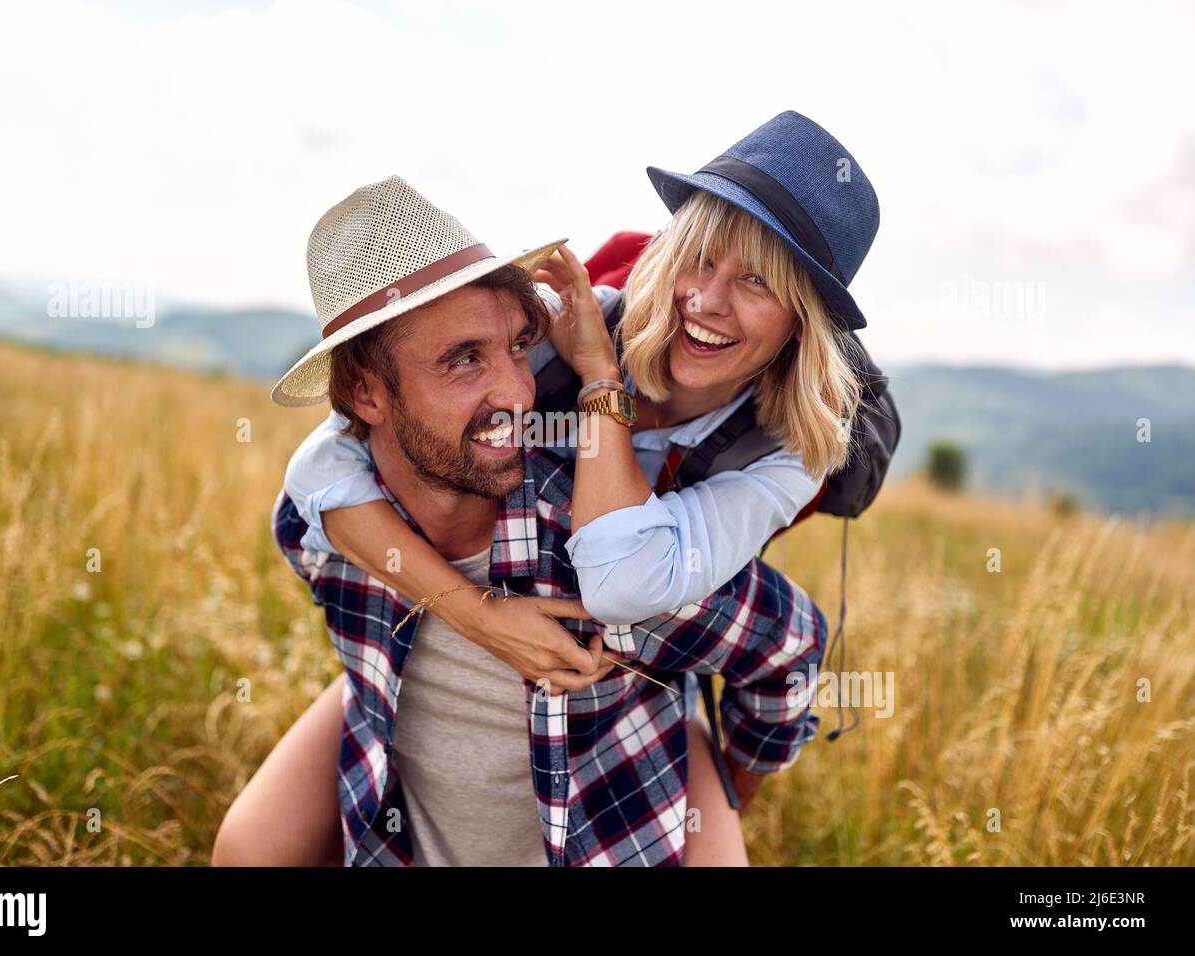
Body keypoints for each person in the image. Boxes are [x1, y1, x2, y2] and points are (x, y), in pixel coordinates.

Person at [212, 173, 828, 867]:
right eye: (464, 360)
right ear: (364, 393)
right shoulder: (326, 534)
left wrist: (723, 786)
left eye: (516, 348)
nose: (517, 390)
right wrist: (473, 616)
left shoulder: (597, 550)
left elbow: (789, 644)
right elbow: (314, 479)